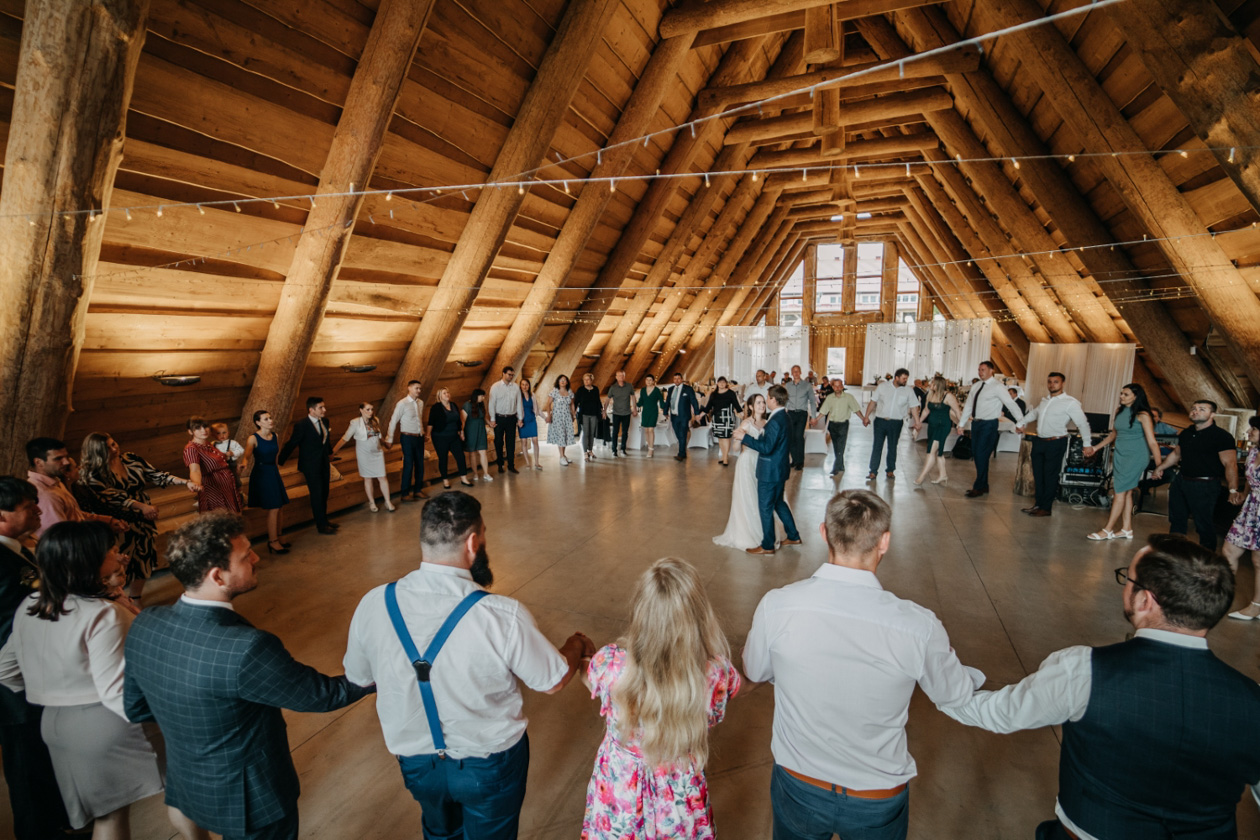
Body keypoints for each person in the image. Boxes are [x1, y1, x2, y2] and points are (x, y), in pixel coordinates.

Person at [943, 534, 1260, 840]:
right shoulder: (1252, 700)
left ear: (1145, 600)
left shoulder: (1082, 669)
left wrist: (936, 678)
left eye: (1129, 581)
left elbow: (999, 714)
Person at [343, 492, 593, 840]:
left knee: (440, 833)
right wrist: (576, 644)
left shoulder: (374, 603)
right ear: (473, 542)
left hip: (417, 763)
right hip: (489, 765)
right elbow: (552, 680)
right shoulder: (502, 614)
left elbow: (359, 677)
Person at [743, 490, 984, 840]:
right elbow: (956, 694)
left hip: (799, 783)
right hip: (876, 797)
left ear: (824, 533)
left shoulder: (778, 605)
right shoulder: (918, 626)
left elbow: (755, 671)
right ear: (884, 542)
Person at [123, 511, 374, 840]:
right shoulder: (246, 648)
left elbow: (136, 709)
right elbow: (322, 695)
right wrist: (381, 671)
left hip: (189, 784)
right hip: (251, 800)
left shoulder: (146, 623)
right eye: (245, 556)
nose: (256, 557)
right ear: (218, 576)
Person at [0, 521, 207, 840]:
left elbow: (6, 670)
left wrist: (52, 691)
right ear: (88, 559)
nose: (117, 553)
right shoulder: (102, 613)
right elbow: (118, 693)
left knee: (109, 815)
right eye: (110, 549)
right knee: (182, 790)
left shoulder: (31, 605)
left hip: (56, 725)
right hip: (108, 724)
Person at [581, 558, 741, 839]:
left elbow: (591, 678)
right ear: (698, 615)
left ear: (641, 612)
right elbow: (723, 702)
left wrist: (582, 656)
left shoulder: (610, 664)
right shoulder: (714, 674)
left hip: (619, 789)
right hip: (679, 793)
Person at [0, 476, 72, 840]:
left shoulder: (19, 547)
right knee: (25, 761)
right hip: (9, 677)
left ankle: (58, 821)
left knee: (42, 753)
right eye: (29, 508)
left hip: (35, 666)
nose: (37, 512)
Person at [79, 432, 198, 594]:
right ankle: (118, 596)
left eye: (114, 443)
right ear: (96, 452)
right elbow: (112, 497)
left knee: (144, 558)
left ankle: (135, 597)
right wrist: (141, 507)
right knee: (120, 562)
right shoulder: (93, 473)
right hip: (118, 523)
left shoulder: (131, 459)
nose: (114, 448)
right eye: (108, 448)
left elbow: (156, 475)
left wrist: (185, 482)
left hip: (143, 519)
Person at [1151, 399, 1239, 551]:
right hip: (1181, 482)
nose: (1196, 411)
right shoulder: (1187, 432)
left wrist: (1233, 489)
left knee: (1203, 524)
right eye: (1194, 408)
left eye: (1202, 409)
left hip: (1205, 485)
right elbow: (1177, 454)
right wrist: (1160, 468)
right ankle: (1173, 554)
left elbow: (1230, 464)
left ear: (1212, 414)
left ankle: (1206, 558)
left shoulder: (1221, 436)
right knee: (1177, 520)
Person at [1084, 384, 1163, 541]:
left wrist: (1159, 466)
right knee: (1126, 491)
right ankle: (1127, 529)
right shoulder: (1119, 411)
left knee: (1119, 491)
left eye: (1126, 394)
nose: (1121, 396)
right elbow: (1113, 435)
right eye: (1121, 393)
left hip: (1136, 456)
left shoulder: (1143, 415)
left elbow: (1152, 442)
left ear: (1135, 396)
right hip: (1121, 455)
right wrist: (1095, 448)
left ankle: (1107, 530)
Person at [733, 385, 803, 556]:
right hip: (779, 468)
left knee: (765, 507)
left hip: (770, 470)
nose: (765, 402)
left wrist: (745, 437)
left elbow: (766, 447)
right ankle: (793, 535)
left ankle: (767, 545)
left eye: (767, 398)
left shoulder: (775, 420)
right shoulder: (784, 417)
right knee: (779, 503)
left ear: (773, 399)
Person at [1015, 372, 1092, 517]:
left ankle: (1046, 508)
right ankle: (1038, 504)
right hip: (1040, 442)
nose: (1052, 384)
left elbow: (1082, 424)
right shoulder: (1045, 400)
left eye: (1055, 382)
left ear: (1062, 383)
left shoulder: (1070, 402)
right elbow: (1034, 414)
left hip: (1056, 442)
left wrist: (1087, 444)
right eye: (1049, 381)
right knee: (1038, 475)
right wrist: (1020, 423)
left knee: (1050, 476)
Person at [25, 437, 127, 538]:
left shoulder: (55, 482)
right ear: (38, 462)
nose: (66, 462)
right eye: (58, 458)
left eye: (65, 457)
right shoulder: (44, 494)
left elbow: (75, 515)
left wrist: (108, 521)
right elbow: (62, 537)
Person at [956, 361, 1025, 498]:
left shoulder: (998, 387)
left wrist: (1020, 422)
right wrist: (961, 424)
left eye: (983, 369)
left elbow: (1010, 404)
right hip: (976, 424)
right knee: (977, 454)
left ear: (991, 371)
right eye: (979, 369)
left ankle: (978, 487)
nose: (980, 372)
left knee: (981, 455)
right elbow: (969, 406)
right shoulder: (976, 386)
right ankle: (984, 485)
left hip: (989, 425)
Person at [714, 395, 774, 550]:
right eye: (758, 403)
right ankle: (747, 533)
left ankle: (764, 532)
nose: (762, 405)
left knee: (761, 498)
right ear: (751, 407)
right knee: (748, 496)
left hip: (762, 462)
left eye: (763, 402)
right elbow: (735, 449)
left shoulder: (767, 423)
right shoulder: (746, 423)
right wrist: (739, 438)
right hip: (747, 462)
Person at [278, 398, 338, 534]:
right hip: (310, 465)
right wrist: (280, 461)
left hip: (323, 462)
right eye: (321, 408)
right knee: (317, 494)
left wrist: (330, 453)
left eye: (324, 407)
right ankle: (321, 526)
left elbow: (325, 440)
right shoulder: (302, 425)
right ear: (311, 410)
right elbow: (292, 443)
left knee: (324, 493)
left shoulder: (325, 421)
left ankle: (325, 520)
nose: (324, 410)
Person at [240, 410, 290, 555]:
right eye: (266, 419)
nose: (270, 420)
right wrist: (243, 464)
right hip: (262, 474)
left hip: (273, 472)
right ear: (258, 422)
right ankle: (272, 541)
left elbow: (275, 456)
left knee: (280, 506)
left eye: (270, 417)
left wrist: (277, 472)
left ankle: (279, 536)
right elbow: (247, 457)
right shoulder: (253, 438)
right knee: (273, 507)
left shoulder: (275, 436)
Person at [1225, 417, 1260, 620]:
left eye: (1254, 428)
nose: (1249, 431)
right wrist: (1244, 495)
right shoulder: (1253, 451)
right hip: (1251, 508)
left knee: (1258, 559)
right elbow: (1250, 478)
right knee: (1229, 549)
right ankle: (1222, 595)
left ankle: (1256, 605)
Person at [332, 402, 395, 513]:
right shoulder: (355, 422)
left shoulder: (375, 420)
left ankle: (387, 501)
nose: (370, 412)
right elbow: (345, 438)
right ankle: (372, 502)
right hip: (364, 453)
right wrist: (332, 452)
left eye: (371, 409)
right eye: (367, 409)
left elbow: (379, 435)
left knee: (382, 477)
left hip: (377, 452)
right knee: (368, 478)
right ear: (361, 410)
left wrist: (385, 443)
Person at [861, 368, 917, 480]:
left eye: (906, 378)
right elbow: (873, 402)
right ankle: (873, 471)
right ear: (896, 378)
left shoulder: (908, 391)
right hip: (880, 421)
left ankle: (890, 470)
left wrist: (918, 421)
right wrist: (866, 416)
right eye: (904, 378)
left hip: (896, 423)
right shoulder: (882, 387)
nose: (906, 381)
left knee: (892, 447)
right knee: (877, 446)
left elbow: (914, 406)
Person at [182, 418, 244, 514]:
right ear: (190, 432)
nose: (203, 430)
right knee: (220, 520)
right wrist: (197, 483)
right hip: (213, 489)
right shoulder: (191, 449)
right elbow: (195, 470)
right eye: (198, 428)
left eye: (205, 426)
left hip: (227, 487)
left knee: (233, 519)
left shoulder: (208, 444)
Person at [912, 375, 960, 487]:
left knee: (931, 451)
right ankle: (943, 475)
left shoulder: (948, 396)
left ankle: (921, 477)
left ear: (938, 385)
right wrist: (918, 422)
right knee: (939, 453)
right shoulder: (930, 394)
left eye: (932, 383)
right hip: (932, 426)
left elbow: (957, 411)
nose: (930, 384)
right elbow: (925, 410)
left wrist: (960, 425)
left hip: (943, 426)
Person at [386, 380, 427, 502]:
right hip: (407, 438)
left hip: (419, 437)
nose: (419, 391)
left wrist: (423, 433)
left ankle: (418, 490)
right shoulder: (402, 404)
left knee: (420, 464)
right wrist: (389, 438)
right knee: (408, 464)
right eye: (416, 388)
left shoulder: (420, 403)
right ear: (409, 388)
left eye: (420, 388)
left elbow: (419, 419)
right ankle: (405, 493)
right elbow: (393, 421)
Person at [428, 388, 475, 489]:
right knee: (443, 458)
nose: (447, 394)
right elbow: (431, 422)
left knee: (460, 457)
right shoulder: (436, 407)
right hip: (440, 437)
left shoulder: (453, 405)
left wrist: (461, 432)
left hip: (454, 436)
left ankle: (463, 478)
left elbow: (458, 421)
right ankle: (445, 480)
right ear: (439, 396)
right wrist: (428, 435)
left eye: (448, 392)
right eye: (444, 393)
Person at [816, 378, 860, 477]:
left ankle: (836, 467)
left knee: (841, 445)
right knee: (836, 446)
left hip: (843, 424)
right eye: (835, 386)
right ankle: (841, 465)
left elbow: (856, 409)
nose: (837, 388)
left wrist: (863, 418)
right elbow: (824, 410)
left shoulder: (849, 397)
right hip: (832, 424)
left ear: (842, 386)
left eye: (839, 386)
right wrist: (816, 419)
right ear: (832, 387)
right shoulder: (830, 398)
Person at [488, 366, 524, 475]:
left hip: (511, 418)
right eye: (509, 374)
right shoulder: (495, 387)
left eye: (512, 375)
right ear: (503, 373)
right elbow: (491, 403)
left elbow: (519, 403)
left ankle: (511, 465)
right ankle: (500, 464)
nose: (511, 376)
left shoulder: (516, 387)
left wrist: (520, 418)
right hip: (499, 418)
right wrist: (493, 419)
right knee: (498, 442)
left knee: (510, 442)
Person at [783, 366, 817, 471]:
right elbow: (785, 400)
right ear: (791, 373)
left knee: (799, 436)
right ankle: (794, 460)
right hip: (791, 413)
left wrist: (814, 416)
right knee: (791, 437)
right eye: (794, 372)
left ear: (800, 372)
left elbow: (812, 401)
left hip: (802, 413)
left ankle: (800, 461)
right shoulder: (787, 386)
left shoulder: (807, 386)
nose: (796, 373)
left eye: (797, 371)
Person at [704, 377, 742, 467]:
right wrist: (700, 414)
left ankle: (725, 458)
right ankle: (723, 456)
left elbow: (737, 405)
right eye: (720, 382)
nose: (721, 384)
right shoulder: (713, 394)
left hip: (727, 418)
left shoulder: (731, 393)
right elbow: (708, 407)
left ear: (726, 383)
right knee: (720, 438)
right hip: (716, 418)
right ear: (717, 383)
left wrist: (743, 414)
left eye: (723, 382)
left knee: (726, 437)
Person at [666, 372, 703, 462]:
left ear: (682, 379)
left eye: (679, 378)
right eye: (675, 379)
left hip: (684, 416)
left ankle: (681, 454)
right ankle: (683, 450)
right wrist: (665, 411)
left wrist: (697, 413)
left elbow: (694, 401)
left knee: (682, 434)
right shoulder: (670, 389)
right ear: (673, 380)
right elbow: (668, 401)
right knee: (678, 434)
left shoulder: (688, 389)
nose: (677, 380)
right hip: (673, 416)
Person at [544, 375, 578, 466]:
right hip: (557, 417)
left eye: (564, 380)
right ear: (558, 382)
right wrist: (549, 416)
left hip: (567, 416)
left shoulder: (570, 392)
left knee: (565, 435)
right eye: (561, 380)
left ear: (567, 382)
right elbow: (548, 404)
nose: (562, 382)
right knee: (561, 435)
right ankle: (561, 456)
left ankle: (564, 455)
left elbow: (572, 404)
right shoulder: (554, 391)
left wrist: (573, 414)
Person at [462, 389, 493, 482]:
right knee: (472, 453)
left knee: (483, 452)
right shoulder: (467, 405)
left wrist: (489, 423)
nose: (483, 398)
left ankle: (486, 473)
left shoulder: (481, 404)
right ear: (476, 396)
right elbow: (462, 420)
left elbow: (484, 416)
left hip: (481, 430)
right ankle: (475, 473)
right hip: (470, 431)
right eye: (482, 396)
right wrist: (462, 431)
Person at [605, 370, 636, 458]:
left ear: (624, 376)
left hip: (626, 413)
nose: (621, 377)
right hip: (616, 413)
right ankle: (614, 450)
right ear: (616, 377)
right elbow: (607, 399)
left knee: (625, 432)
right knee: (615, 432)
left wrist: (634, 408)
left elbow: (633, 397)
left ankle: (623, 449)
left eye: (622, 376)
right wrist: (604, 410)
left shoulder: (629, 386)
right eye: (619, 376)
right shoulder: (613, 387)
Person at [636, 374, 668, 457]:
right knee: (646, 430)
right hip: (645, 412)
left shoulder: (657, 390)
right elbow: (640, 402)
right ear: (645, 381)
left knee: (650, 430)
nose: (648, 381)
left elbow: (661, 402)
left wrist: (665, 409)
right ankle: (649, 446)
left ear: (653, 381)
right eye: (647, 380)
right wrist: (633, 403)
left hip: (653, 412)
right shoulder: (642, 390)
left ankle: (651, 449)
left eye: (650, 380)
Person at [576, 373, 605, 462]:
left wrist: (602, 411)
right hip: (584, 414)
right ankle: (585, 452)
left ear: (591, 380)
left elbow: (598, 401)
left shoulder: (595, 389)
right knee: (586, 433)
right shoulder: (580, 390)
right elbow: (576, 401)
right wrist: (573, 412)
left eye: (588, 379)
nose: (586, 381)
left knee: (592, 433)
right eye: (584, 379)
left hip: (594, 414)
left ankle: (590, 450)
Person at [518, 378, 542, 470]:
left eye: (526, 384)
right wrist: (518, 421)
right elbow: (515, 410)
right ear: (520, 386)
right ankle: (527, 463)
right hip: (522, 421)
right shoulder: (518, 396)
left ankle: (536, 462)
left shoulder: (532, 395)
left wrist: (545, 418)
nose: (524, 386)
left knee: (535, 440)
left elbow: (538, 408)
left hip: (532, 420)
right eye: (523, 384)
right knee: (524, 442)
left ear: (529, 386)